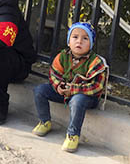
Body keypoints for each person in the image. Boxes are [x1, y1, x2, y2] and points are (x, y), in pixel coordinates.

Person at [32, 22, 108, 153]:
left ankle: (73, 135)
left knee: (77, 100)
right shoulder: (62, 56)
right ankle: (45, 121)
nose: (79, 41)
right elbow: (53, 74)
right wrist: (58, 87)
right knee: (40, 90)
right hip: (64, 92)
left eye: (85, 38)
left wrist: (73, 90)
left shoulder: (96, 62)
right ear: (68, 41)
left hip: (86, 97)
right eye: (75, 37)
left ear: (91, 44)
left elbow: (97, 86)